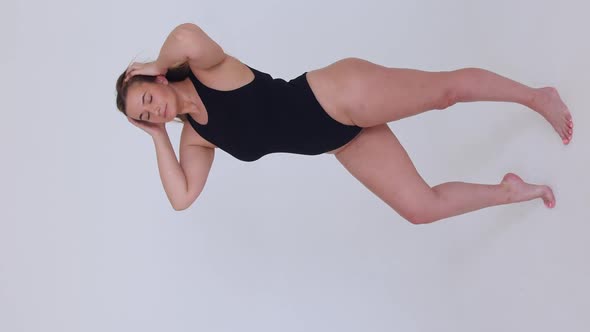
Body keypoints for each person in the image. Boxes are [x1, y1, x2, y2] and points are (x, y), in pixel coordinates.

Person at [115, 23, 573, 223]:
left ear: (156, 77)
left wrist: (154, 60)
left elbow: (187, 36)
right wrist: (157, 138)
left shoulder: (205, 69)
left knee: (444, 93)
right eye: (145, 115)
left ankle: (536, 97)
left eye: (148, 99)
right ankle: (509, 189)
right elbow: (182, 197)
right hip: (338, 140)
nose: (153, 111)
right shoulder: (197, 138)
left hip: (338, 94)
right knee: (420, 208)